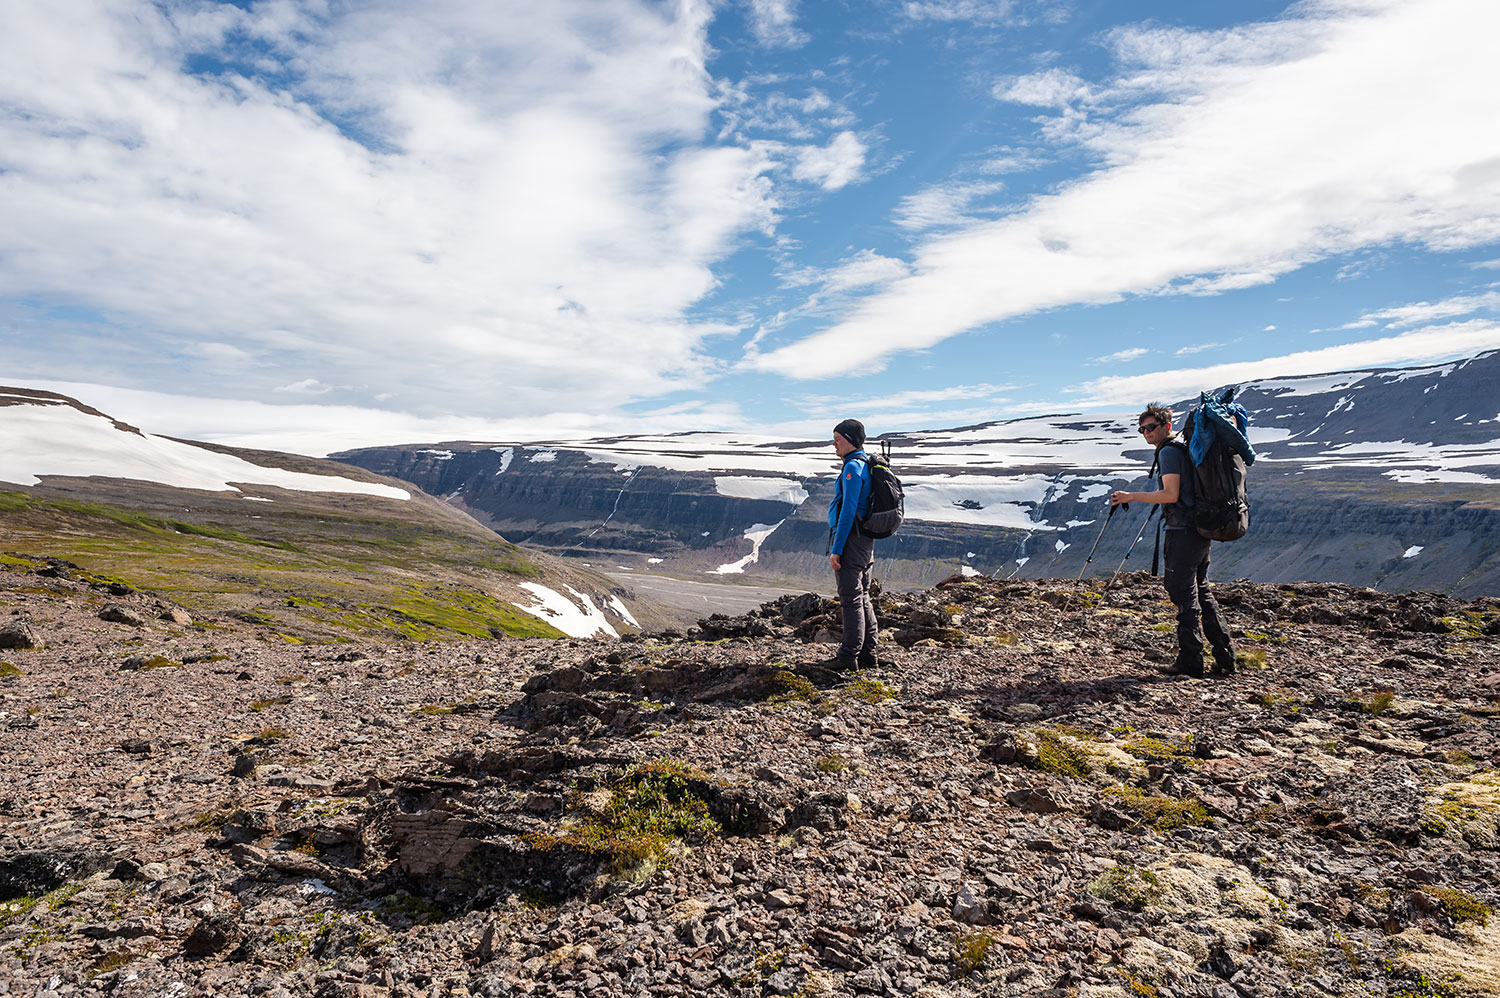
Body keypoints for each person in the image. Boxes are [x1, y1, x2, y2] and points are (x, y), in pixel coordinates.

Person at [1110, 404, 1235, 679]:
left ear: (1167, 426)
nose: (1146, 433)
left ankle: (1191, 660)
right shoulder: (1182, 449)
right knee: (1202, 592)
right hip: (1200, 531)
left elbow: (1170, 494)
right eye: (1142, 429)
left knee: (1183, 594)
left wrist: (1131, 496)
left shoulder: (1168, 452)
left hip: (1183, 533)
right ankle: (1225, 655)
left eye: (1151, 427)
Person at [825, 418, 877, 670]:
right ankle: (868, 655)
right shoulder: (864, 465)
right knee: (862, 595)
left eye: (837, 438)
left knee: (851, 598)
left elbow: (848, 512)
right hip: (864, 540)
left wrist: (837, 549)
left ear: (851, 440)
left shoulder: (853, 468)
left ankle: (847, 658)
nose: (833, 444)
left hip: (852, 540)